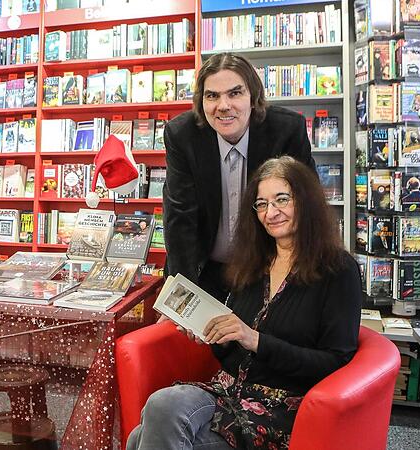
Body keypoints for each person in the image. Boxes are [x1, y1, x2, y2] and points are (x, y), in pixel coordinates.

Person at [127, 156, 362, 450]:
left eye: (281, 200)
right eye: (261, 204)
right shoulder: (253, 264)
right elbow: (234, 352)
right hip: (227, 393)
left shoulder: (338, 270)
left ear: (305, 201)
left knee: (142, 435)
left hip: (279, 410)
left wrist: (256, 340)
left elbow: (335, 361)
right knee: (162, 406)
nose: (271, 212)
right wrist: (215, 337)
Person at [163, 52, 314, 300]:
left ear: (253, 97)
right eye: (212, 96)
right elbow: (179, 217)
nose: (224, 105)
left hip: (269, 266)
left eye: (235, 93)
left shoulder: (286, 130)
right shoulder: (182, 136)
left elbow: (307, 206)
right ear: (201, 101)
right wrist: (181, 293)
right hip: (203, 270)